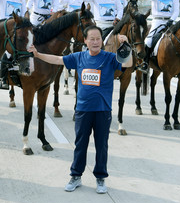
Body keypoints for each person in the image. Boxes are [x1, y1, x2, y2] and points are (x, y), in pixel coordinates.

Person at [28, 26, 132, 194]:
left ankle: (100, 178)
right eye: (92, 39)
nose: (95, 42)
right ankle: (76, 176)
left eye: (98, 38)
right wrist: (38, 55)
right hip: (83, 110)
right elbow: (58, 60)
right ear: (85, 41)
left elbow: (127, 64)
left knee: (101, 145)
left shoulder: (110, 58)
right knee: (80, 145)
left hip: (103, 110)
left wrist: (126, 46)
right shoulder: (78, 57)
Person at [138, 0, 180, 72]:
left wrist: (171, 20)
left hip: (170, 22)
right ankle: (145, 63)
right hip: (157, 21)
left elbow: (176, 10)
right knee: (148, 41)